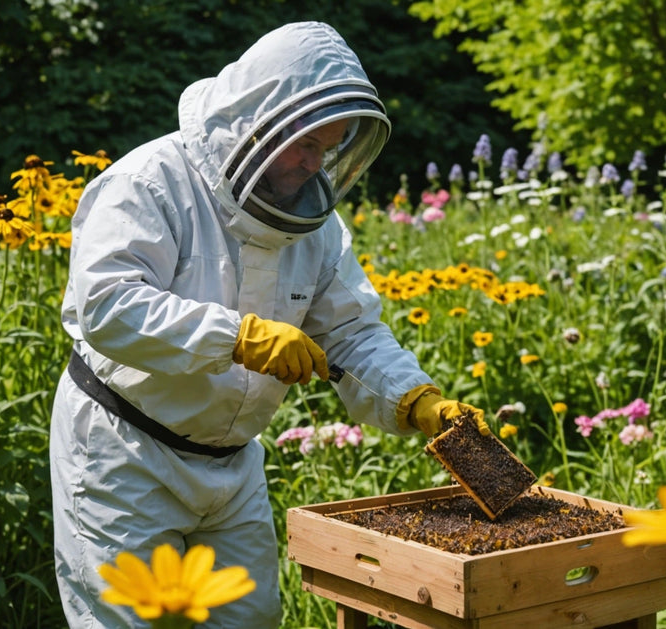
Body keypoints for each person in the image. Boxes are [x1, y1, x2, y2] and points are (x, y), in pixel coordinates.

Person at [50, 21, 486, 628]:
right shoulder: (148, 182)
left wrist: (415, 398)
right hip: (126, 454)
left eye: (328, 148)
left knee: (250, 618)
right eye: (303, 144)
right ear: (254, 122)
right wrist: (238, 337)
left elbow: (351, 332)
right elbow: (107, 306)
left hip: (234, 463)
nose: (314, 164)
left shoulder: (316, 226)